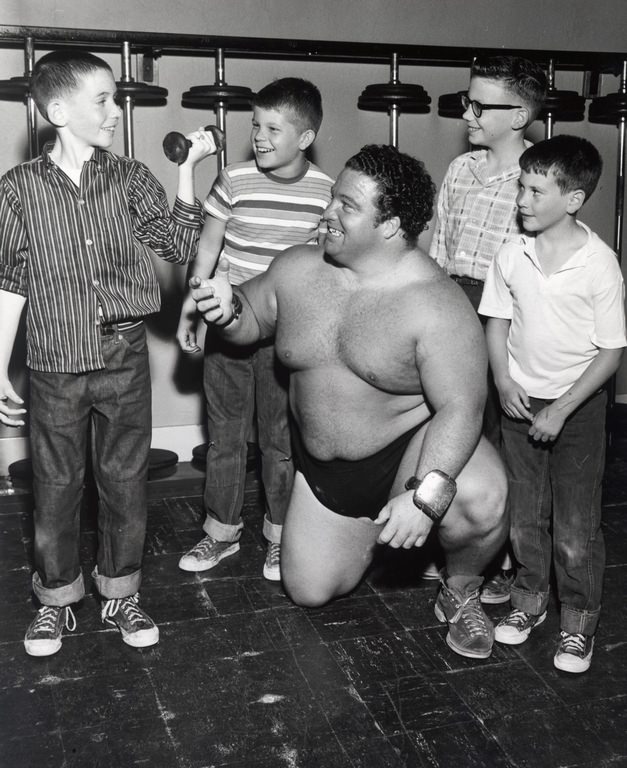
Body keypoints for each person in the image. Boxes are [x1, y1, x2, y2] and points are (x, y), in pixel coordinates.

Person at [190, 144, 509, 660]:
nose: (327, 213)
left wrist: (425, 497)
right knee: (309, 591)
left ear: (390, 226)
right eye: (332, 198)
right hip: (326, 471)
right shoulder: (298, 268)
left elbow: (461, 408)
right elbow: (252, 317)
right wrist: (226, 310)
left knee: (478, 498)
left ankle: (461, 587)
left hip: (408, 449)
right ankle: (379, 538)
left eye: (346, 206)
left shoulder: (437, 304)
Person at [0, 49, 217, 656]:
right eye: (104, 99)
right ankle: (56, 599)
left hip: (123, 356)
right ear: (57, 109)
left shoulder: (128, 177)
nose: (116, 111)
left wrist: (186, 172)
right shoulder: (18, 189)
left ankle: (120, 593)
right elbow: (9, 283)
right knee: (56, 484)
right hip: (52, 363)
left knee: (123, 482)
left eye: (115, 98)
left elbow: (177, 246)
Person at [479, 135, 626, 673]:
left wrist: (562, 408)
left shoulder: (598, 264)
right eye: (521, 185)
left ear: (573, 199)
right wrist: (502, 379)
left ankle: (578, 624)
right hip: (519, 401)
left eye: (536, 190)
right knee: (524, 517)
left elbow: (611, 352)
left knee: (576, 526)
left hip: (578, 409)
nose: (521, 199)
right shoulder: (510, 251)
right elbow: (496, 320)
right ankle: (529, 604)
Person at [176, 78, 333, 581]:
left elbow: (328, 269)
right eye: (255, 125)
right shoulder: (234, 179)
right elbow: (207, 248)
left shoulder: (326, 193)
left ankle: (279, 536)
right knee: (225, 439)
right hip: (228, 323)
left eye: (272, 128)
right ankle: (220, 533)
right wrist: (191, 306)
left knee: (280, 441)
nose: (259, 136)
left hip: (288, 335)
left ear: (305, 137)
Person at [429, 54, 547, 603]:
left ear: (519, 115)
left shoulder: (535, 176)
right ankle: (451, 539)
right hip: (453, 299)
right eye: (466, 101)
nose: (468, 114)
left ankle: (497, 555)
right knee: (451, 425)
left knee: (500, 435)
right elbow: (440, 245)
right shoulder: (460, 169)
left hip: (504, 312)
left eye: (481, 105)